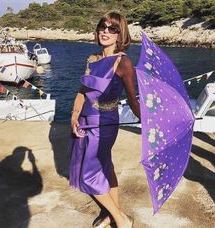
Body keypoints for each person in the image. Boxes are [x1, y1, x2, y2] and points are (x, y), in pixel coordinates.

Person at [70, 11, 140, 228]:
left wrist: (148, 122)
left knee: (89, 175)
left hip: (104, 124)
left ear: (121, 34)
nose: (106, 32)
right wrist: (74, 116)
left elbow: (133, 99)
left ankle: (121, 219)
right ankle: (111, 213)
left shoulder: (123, 63)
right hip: (84, 121)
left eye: (113, 29)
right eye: (103, 26)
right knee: (106, 166)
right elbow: (83, 90)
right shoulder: (92, 59)